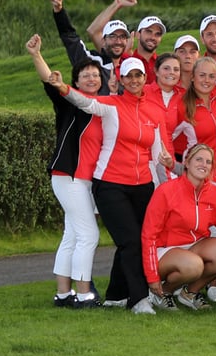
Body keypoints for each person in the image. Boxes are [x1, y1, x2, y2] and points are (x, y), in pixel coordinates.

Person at [52, 57, 174, 314]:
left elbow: (159, 153)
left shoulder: (154, 111)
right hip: (110, 184)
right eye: (129, 76)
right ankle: (138, 299)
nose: (134, 80)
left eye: (138, 75)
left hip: (143, 186)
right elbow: (83, 101)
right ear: (120, 79)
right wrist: (63, 87)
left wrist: (166, 170)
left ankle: (116, 295)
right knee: (130, 241)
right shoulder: (111, 105)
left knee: (137, 239)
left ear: (144, 78)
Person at [27, 34, 105, 308]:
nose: (91, 79)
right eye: (85, 75)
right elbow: (50, 82)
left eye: (95, 75)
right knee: (89, 235)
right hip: (68, 177)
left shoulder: (103, 108)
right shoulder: (69, 102)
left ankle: (63, 293)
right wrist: (37, 55)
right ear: (76, 81)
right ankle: (84, 294)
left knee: (72, 234)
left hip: (85, 181)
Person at [136, 144, 216, 313]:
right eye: (199, 159)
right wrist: (152, 277)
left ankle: (189, 293)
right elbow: (149, 235)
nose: (204, 164)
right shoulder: (166, 190)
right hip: (165, 251)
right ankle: (161, 293)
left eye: (208, 162)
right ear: (187, 163)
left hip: (193, 247)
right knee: (194, 265)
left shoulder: (215, 194)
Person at [169, 57, 216, 184]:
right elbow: (166, 137)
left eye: (211, 76)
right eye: (202, 75)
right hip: (200, 178)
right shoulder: (182, 106)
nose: (207, 80)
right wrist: (174, 166)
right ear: (193, 77)